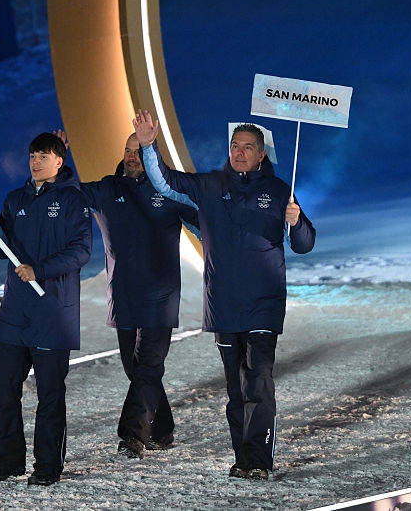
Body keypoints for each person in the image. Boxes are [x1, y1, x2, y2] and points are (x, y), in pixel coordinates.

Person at [131, 110, 315, 481]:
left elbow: (304, 244)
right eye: (235, 146)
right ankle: (242, 458)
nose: (240, 152)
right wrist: (149, 146)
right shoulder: (210, 186)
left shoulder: (279, 191)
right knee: (235, 389)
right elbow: (166, 184)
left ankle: (259, 460)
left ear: (262, 154)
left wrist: (297, 223)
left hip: (263, 303)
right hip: (224, 306)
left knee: (258, 382)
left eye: (248, 147)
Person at [0, 132, 92, 486]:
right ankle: (9, 460)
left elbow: (80, 251)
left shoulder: (72, 200)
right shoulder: (15, 199)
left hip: (53, 313)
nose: (36, 162)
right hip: (15, 315)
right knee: (4, 388)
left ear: (59, 160)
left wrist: (40, 269)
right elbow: (0, 250)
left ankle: (48, 465)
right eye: (33, 155)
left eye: (44, 155)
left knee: (50, 394)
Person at [67, 130, 200, 460]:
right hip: (124, 295)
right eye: (128, 150)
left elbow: (208, 225)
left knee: (148, 367)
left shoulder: (169, 192)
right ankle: (163, 429)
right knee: (138, 369)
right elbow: (70, 196)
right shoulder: (107, 189)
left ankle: (132, 436)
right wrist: (60, 164)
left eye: (139, 151)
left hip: (160, 294)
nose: (131, 156)